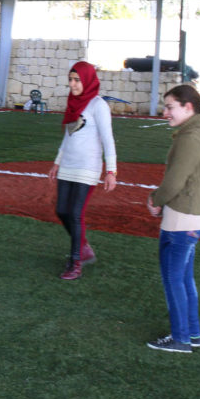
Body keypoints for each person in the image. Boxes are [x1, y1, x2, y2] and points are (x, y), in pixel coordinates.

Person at [146, 85, 200, 353]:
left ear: (188, 107)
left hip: (182, 220)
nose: (165, 112)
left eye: (170, 107)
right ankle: (191, 334)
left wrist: (155, 200)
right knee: (184, 279)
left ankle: (180, 338)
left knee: (174, 280)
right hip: (190, 218)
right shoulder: (198, 132)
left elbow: (174, 181)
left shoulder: (191, 138)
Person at [48, 61, 117, 280]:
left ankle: (75, 262)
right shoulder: (72, 103)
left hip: (87, 168)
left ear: (87, 80)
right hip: (68, 164)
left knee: (76, 214)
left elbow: (108, 139)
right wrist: (57, 161)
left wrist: (111, 171)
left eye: (77, 80)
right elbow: (68, 136)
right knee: (61, 210)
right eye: (70, 79)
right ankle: (84, 247)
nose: (73, 84)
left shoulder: (98, 105)